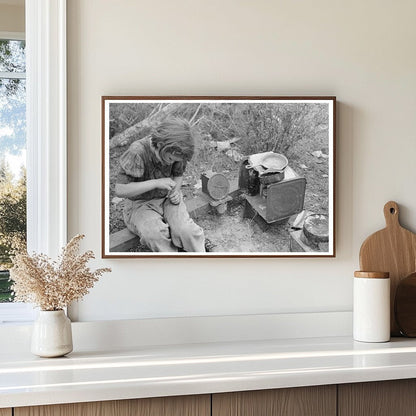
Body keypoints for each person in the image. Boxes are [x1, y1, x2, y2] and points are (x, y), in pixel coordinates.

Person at [115, 117, 206, 252]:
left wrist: (175, 191)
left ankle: (203, 261)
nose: (170, 163)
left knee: (187, 231)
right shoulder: (138, 152)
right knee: (155, 234)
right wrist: (156, 183)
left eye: (174, 160)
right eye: (169, 159)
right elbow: (120, 190)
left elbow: (178, 175)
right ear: (161, 145)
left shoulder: (177, 151)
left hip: (166, 198)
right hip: (140, 204)